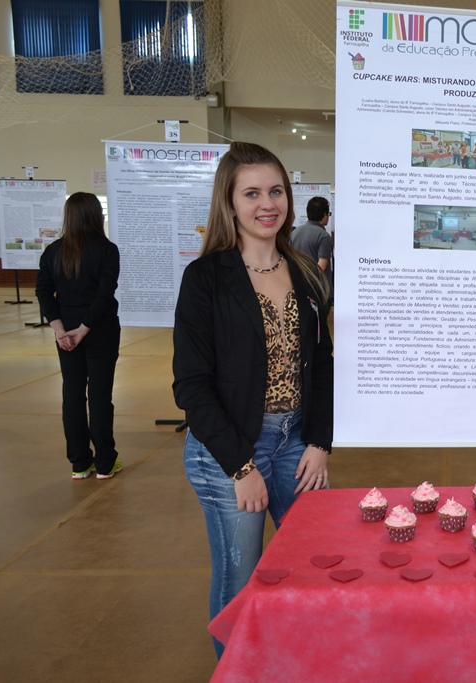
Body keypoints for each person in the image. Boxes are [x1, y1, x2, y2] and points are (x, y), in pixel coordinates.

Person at [173, 141, 334, 657]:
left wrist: (319, 442)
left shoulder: (305, 271)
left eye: (276, 191)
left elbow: (322, 363)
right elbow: (191, 384)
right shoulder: (206, 278)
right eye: (252, 193)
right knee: (240, 581)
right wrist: (240, 467)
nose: (268, 204)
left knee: (317, 562)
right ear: (229, 201)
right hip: (230, 450)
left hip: (297, 442)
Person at [35, 193, 123, 480]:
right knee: (99, 395)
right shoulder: (106, 250)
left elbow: (43, 292)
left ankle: (80, 463)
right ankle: (105, 463)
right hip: (100, 330)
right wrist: (84, 328)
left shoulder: (53, 251)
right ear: (96, 215)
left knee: (72, 394)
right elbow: (104, 294)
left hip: (66, 334)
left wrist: (60, 329)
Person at [290, 195, 333, 282]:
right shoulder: (324, 236)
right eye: (328, 214)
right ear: (324, 214)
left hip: (298, 283)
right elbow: (322, 266)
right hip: (318, 285)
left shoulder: (294, 233)